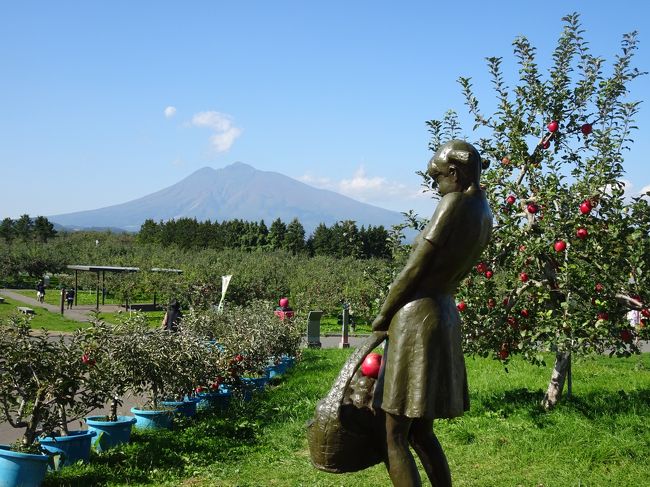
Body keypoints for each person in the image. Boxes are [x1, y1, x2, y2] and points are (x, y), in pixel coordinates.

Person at [371, 140, 493, 486]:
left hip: (416, 318)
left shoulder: (452, 203)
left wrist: (383, 315)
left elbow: (413, 269)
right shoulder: (483, 210)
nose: (435, 186)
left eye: (437, 178)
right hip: (444, 312)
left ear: (454, 174)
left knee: (393, 434)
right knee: (422, 431)